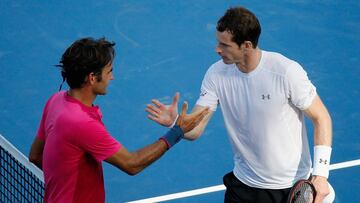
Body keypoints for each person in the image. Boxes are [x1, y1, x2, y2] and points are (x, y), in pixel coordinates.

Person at [146, 7, 335, 203]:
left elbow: (321, 118)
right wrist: (176, 123)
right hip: (243, 185)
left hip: (289, 187)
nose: (217, 49)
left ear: (246, 45)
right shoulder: (216, 75)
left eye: (224, 45)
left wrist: (321, 175)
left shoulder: (285, 72)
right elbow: (195, 130)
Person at [28, 37, 209, 203]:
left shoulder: (56, 100)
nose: (112, 77)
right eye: (109, 71)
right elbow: (132, 164)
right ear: (92, 78)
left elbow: (35, 156)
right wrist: (177, 131)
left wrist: (63, 185)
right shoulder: (81, 123)